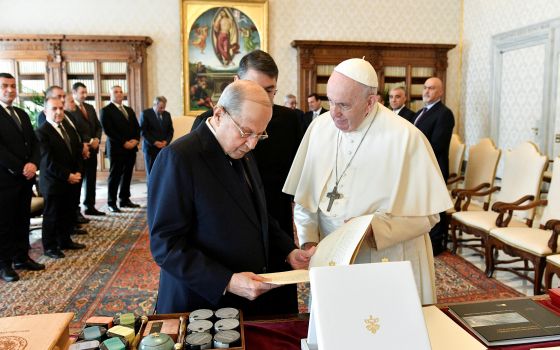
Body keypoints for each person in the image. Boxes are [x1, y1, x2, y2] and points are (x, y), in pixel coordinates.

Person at [283, 59, 452, 305]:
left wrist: (375, 228)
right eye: (330, 101)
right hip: (330, 255)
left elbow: (429, 216)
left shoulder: (406, 139)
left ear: (370, 102)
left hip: (386, 256)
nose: (334, 113)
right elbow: (304, 198)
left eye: (343, 105)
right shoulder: (319, 129)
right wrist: (309, 240)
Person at [148, 80, 315, 315]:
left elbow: (257, 213)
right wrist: (226, 281)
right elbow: (165, 245)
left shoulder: (241, 149)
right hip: (200, 304)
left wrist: (289, 250)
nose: (253, 143)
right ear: (219, 114)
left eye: (260, 134)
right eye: (247, 132)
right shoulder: (178, 158)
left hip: (242, 305)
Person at [191, 50, 302, 239]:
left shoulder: (292, 121)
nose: (262, 98)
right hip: (228, 229)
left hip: (277, 224)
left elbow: (298, 178)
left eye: (269, 90)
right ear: (236, 82)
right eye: (254, 88)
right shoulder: (208, 123)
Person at [0, 72, 44, 281]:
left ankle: (21, 257)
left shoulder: (21, 113)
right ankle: (4, 264)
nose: (9, 90)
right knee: (5, 223)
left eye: (12, 86)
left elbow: (35, 143)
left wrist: (33, 163)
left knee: (22, 219)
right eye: (4, 86)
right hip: (5, 180)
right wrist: (21, 167)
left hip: (25, 179)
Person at [408, 77, 455, 255]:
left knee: (435, 206)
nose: (427, 91)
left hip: (434, 168)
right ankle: (422, 239)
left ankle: (436, 244)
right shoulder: (420, 111)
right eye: (425, 88)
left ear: (441, 92)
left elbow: (437, 145)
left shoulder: (444, 113)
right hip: (418, 167)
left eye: (432, 88)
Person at [36, 97, 86, 259]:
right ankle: (50, 247)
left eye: (61, 108)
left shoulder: (68, 128)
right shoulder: (42, 132)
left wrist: (77, 172)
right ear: (45, 112)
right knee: (52, 215)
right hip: (53, 182)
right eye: (54, 109)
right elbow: (48, 162)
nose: (58, 112)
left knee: (67, 212)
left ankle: (65, 240)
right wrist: (68, 175)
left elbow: (78, 152)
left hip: (71, 180)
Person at [100, 86, 141, 213]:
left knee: (127, 174)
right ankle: (111, 202)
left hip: (131, 148)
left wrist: (135, 140)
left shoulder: (129, 110)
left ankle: (124, 199)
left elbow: (136, 127)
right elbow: (108, 130)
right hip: (117, 148)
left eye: (120, 91)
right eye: (115, 92)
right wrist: (124, 142)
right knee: (115, 176)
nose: (119, 94)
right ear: (110, 95)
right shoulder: (106, 110)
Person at [70, 82, 104, 216]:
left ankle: (90, 206)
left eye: (85, 92)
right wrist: (90, 140)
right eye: (81, 92)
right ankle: (76, 210)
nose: (84, 95)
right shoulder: (70, 109)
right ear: (74, 92)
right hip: (80, 151)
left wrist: (96, 139)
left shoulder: (90, 107)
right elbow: (75, 129)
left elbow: (98, 126)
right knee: (78, 182)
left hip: (93, 150)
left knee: (91, 180)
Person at [140, 96, 174, 176]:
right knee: (151, 174)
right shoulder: (145, 113)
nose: (163, 110)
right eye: (161, 107)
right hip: (150, 149)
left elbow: (170, 131)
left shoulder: (167, 114)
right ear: (155, 104)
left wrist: (166, 142)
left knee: (163, 173)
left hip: (163, 148)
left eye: (164, 107)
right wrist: (155, 142)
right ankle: (151, 189)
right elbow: (143, 132)